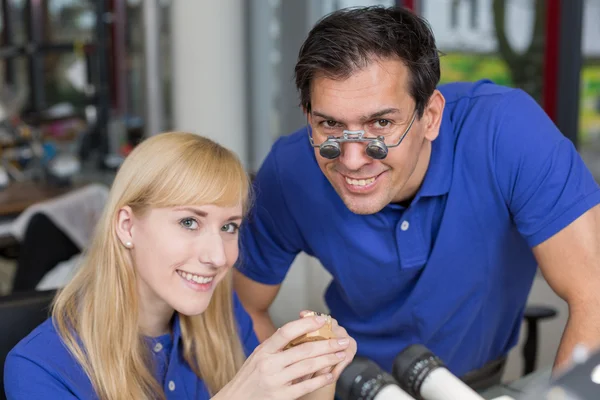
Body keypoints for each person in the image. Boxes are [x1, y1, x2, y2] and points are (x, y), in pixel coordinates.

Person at [233, 5, 600, 385]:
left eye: (381, 124)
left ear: (431, 116)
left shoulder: (508, 132)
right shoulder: (289, 169)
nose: (353, 160)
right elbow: (244, 306)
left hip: (475, 385)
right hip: (354, 385)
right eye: (329, 124)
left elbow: (593, 295)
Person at [4, 132, 357, 400]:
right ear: (127, 226)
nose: (218, 257)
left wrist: (315, 378)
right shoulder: (40, 369)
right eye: (189, 222)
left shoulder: (225, 314)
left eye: (229, 226)